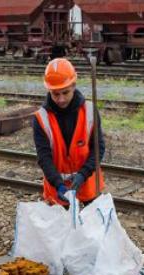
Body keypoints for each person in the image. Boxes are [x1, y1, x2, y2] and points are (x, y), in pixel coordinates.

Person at [33, 58, 106, 207]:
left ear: (73, 85)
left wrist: (83, 174)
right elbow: (44, 157)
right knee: (60, 223)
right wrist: (58, 184)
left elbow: (98, 148)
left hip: (87, 183)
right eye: (55, 94)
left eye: (65, 92)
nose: (61, 99)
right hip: (57, 188)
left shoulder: (90, 111)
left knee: (92, 222)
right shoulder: (41, 118)